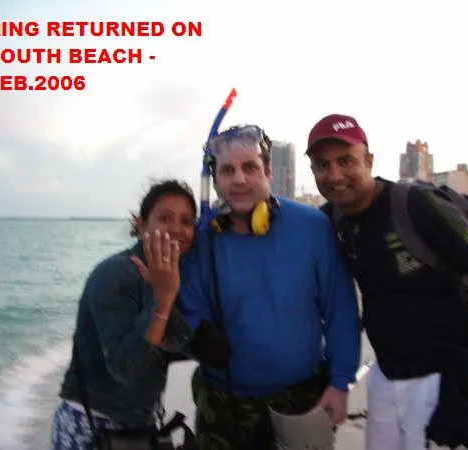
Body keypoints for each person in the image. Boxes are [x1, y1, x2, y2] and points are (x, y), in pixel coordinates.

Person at [305, 114, 468, 450]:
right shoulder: (330, 220)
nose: (334, 175)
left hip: (447, 380)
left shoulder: (415, 205)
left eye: (346, 160)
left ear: (369, 160)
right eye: (322, 165)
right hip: (386, 375)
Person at [177, 124, 361, 449]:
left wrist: (341, 381)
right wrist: (197, 335)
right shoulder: (200, 239)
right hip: (224, 403)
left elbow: (341, 310)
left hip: (302, 398)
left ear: (269, 171)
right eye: (228, 170)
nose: (239, 179)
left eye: (250, 167)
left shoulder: (312, 228)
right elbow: (187, 312)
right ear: (215, 178)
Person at [51, 179, 198, 450]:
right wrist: (163, 302)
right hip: (91, 425)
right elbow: (126, 368)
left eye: (187, 222)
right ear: (141, 226)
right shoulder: (116, 275)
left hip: (139, 425)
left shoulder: (172, 274)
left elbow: (172, 345)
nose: (177, 229)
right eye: (165, 218)